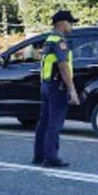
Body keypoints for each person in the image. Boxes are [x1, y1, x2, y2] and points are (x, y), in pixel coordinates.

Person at [33, 10, 80, 168]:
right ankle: (51, 157)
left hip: (47, 85)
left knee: (44, 121)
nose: (72, 25)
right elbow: (63, 66)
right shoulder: (60, 41)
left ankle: (39, 155)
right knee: (54, 122)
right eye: (70, 22)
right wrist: (72, 89)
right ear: (61, 23)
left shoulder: (49, 40)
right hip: (57, 86)